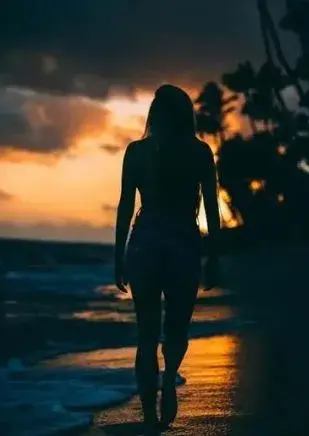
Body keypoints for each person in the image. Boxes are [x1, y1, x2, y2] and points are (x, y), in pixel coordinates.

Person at [113, 84, 221, 433]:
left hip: (144, 242)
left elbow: (126, 206)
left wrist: (118, 256)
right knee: (177, 327)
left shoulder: (137, 151)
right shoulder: (200, 152)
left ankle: (148, 416)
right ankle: (169, 379)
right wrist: (214, 256)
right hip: (182, 242)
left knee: (146, 334)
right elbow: (211, 208)